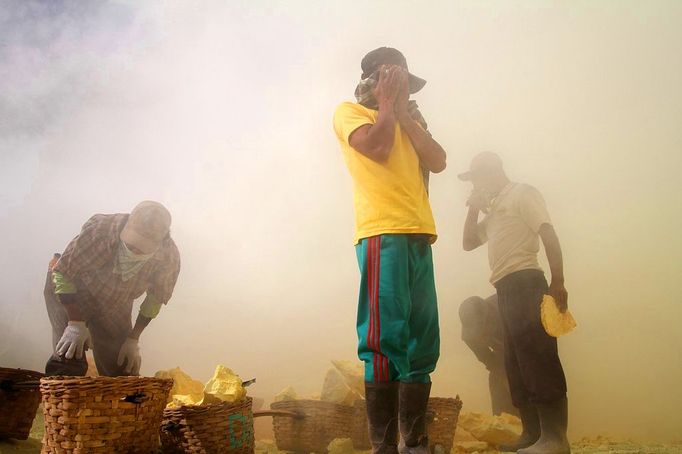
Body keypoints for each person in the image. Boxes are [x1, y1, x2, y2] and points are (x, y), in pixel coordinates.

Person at [333, 47, 447, 454]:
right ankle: (383, 447)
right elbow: (378, 150)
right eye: (392, 82)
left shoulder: (410, 118)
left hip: (419, 233)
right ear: (375, 81)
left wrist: (404, 116)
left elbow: (438, 161)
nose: (401, 91)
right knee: (384, 338)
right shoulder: (350, 113)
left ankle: (414, 443)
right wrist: (384, 105)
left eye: (404, 85)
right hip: (383, 233)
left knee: (422, 339)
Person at [460, 152, 570, 454]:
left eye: (477, 179)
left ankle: (555, 439)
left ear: (492, 172)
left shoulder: (522, 194)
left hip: (527, 281)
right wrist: (473, 207)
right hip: (504, 288)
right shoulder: (493, 210)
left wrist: (557, 281)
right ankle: (532, 434)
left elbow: (547, 232)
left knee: (538, 358)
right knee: (516, 363)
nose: (476, 186)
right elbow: (468, 242)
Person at [44, 201, 180, 377]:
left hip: (116, 301)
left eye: (142, 249)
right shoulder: (99, 231)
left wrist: (133, 339)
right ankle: (62, 399)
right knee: (69, 354)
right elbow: (63, 273)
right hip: (72, 290)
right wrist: (75, 323)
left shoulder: (168, 258)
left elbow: (154, 300)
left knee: (122, 365)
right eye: (130, 245)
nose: (134, 251)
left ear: (161, 242)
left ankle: (119, 402)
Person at [458, 294, 517, 416]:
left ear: (490, 317)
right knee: (499, 389)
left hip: (526, 355)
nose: (480, 337)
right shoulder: (470, 336)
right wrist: (504, 378)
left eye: (482, 330)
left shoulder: (509, 309)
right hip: (501, 359)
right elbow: (488, 359)